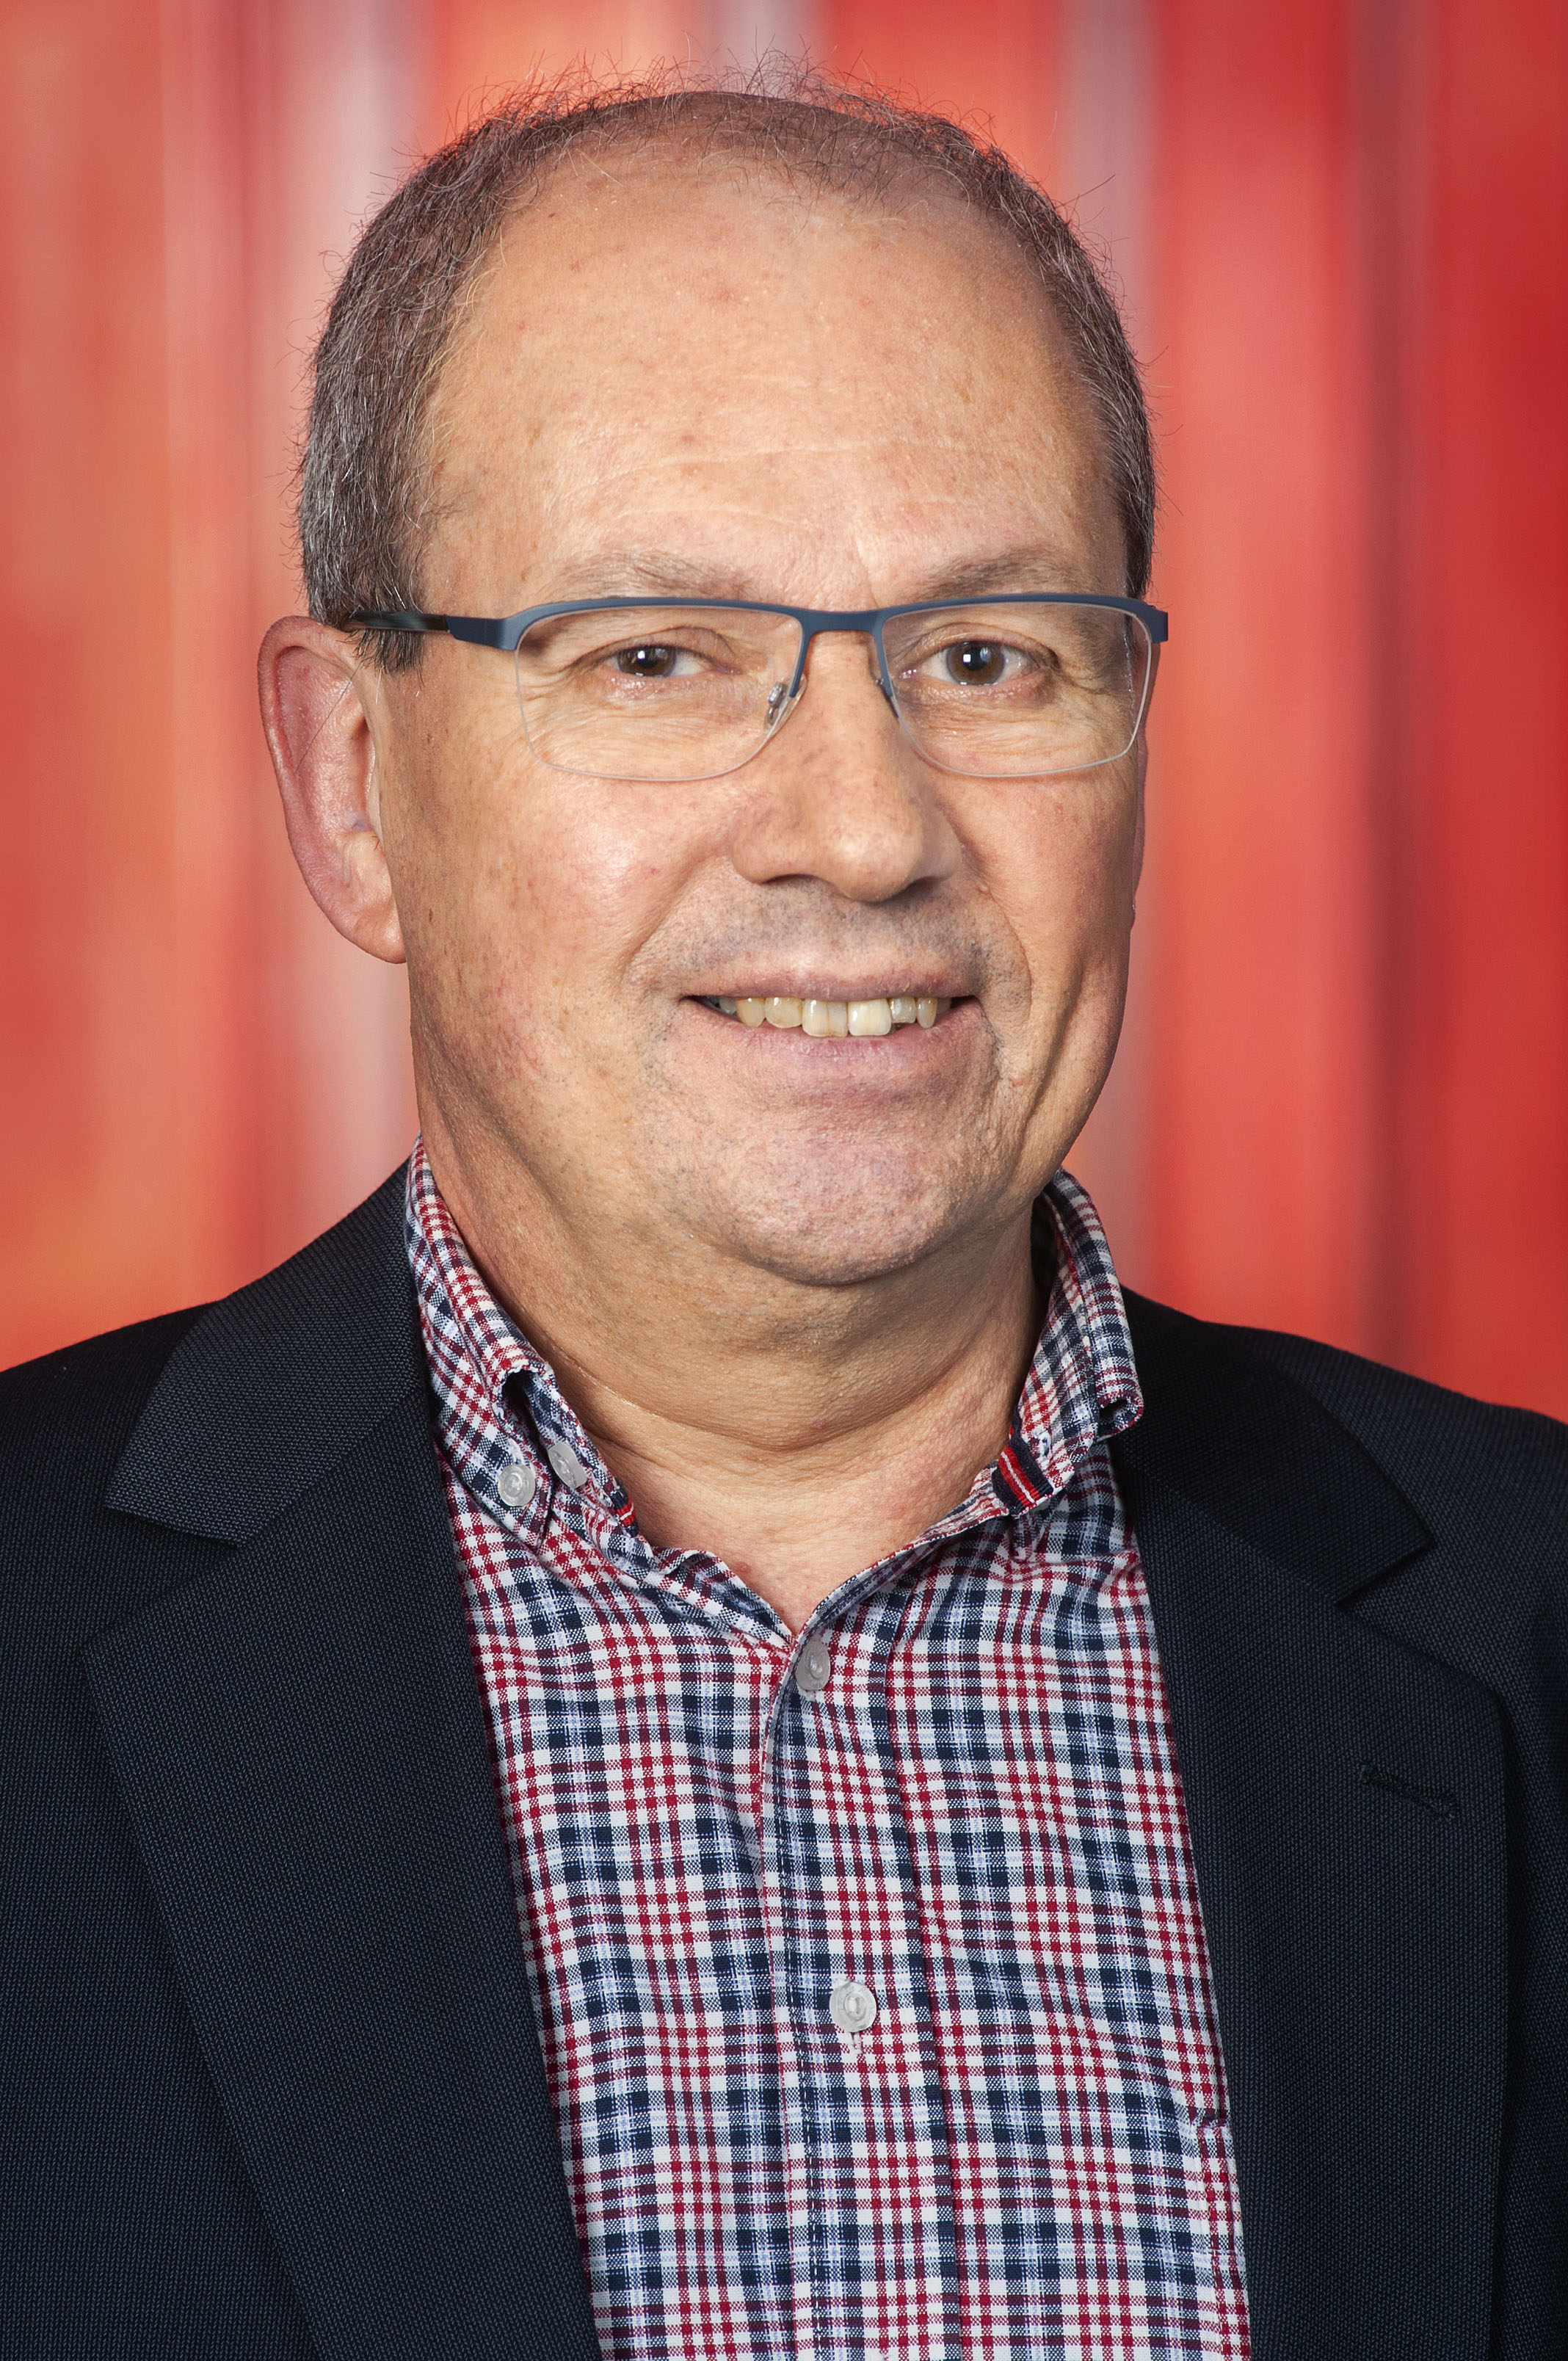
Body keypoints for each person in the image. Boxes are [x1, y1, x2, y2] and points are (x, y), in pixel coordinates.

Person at [2, 71, 1563, 2361]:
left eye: (989, 657)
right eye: (657, 654)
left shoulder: (1531, 1608)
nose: (863, 828)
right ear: (358, 783)